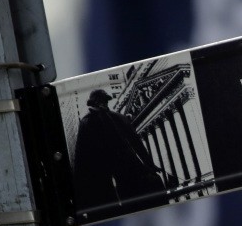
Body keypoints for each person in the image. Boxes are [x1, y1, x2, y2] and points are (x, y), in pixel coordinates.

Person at [72, 88, 174, 219]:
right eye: (101, 101)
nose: (104, 104)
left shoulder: (117, 118)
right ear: (94, 102)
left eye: (105, 101)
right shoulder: (87, 122)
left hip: (129, 170)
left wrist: (150, 165)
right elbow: (82, 157)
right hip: (111, 175)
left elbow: (137, 144)